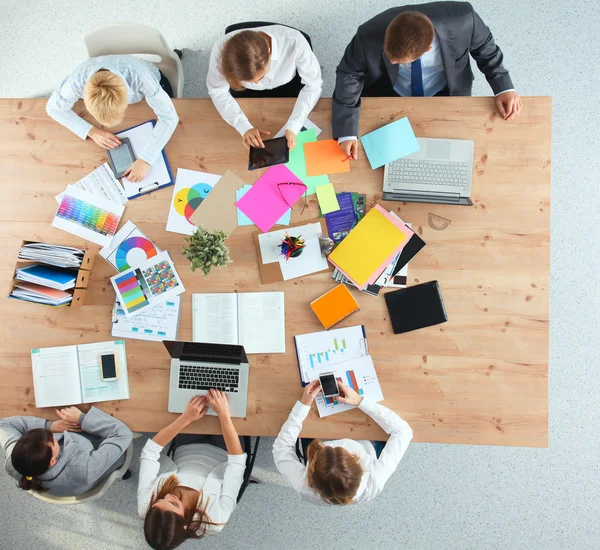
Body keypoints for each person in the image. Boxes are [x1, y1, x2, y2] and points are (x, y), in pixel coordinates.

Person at [333, 2, 522, 159]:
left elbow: (485, 49)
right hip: (390, 90)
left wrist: (503, 88)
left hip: (447, 89)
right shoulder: (367, 35)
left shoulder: (466, 19)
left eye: (398, 61)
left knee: (451, 148)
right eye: (390, 56)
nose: (391, 61)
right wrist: (347, 133)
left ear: (428, 50)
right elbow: (349, 74)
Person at [273, 380, 413, 505]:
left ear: (311, 472)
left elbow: (281, 448)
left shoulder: (303, 486)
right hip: (363, 440)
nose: (338, 444)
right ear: (361, 468)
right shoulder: (374, 482)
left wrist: (303, 405)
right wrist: (360, 401)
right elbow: (403, 432)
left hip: (321, 431)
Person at [138, 391, 246, 550]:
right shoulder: (215, 519)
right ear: (185, 523)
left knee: (194, 394)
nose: (167, 495)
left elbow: (149, 453)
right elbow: (236, 464)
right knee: (235, 401)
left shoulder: (146, 508)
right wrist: (224, 415)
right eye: (174, 503)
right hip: (226, 451)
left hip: (186, 444)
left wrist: (185, 418)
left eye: (159, 500)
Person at [46, 55, 179, 182]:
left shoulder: (141, 77)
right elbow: (53, 108)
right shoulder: (76, 83)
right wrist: (92, 131)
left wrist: (146, 159)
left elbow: (169, 117)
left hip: (154, 84)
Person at [207, 25, 323, 151]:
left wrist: (294, 125)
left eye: (260, 78)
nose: (256, 83)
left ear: (269, 50)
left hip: (288, 85)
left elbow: (313, 84)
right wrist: (243, 126)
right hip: (244, 91)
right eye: (251, 81)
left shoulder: (294, 41)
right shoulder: (220, 52)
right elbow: (217, 91)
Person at [0, 406, 132, 496]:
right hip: (94, 464)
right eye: (53, 440)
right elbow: (123, 434)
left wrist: (49, 426)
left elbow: (3, 424)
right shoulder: (84, 468)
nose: (52, 436)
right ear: (52, 461)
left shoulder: (15, 460)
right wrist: (82, 418)